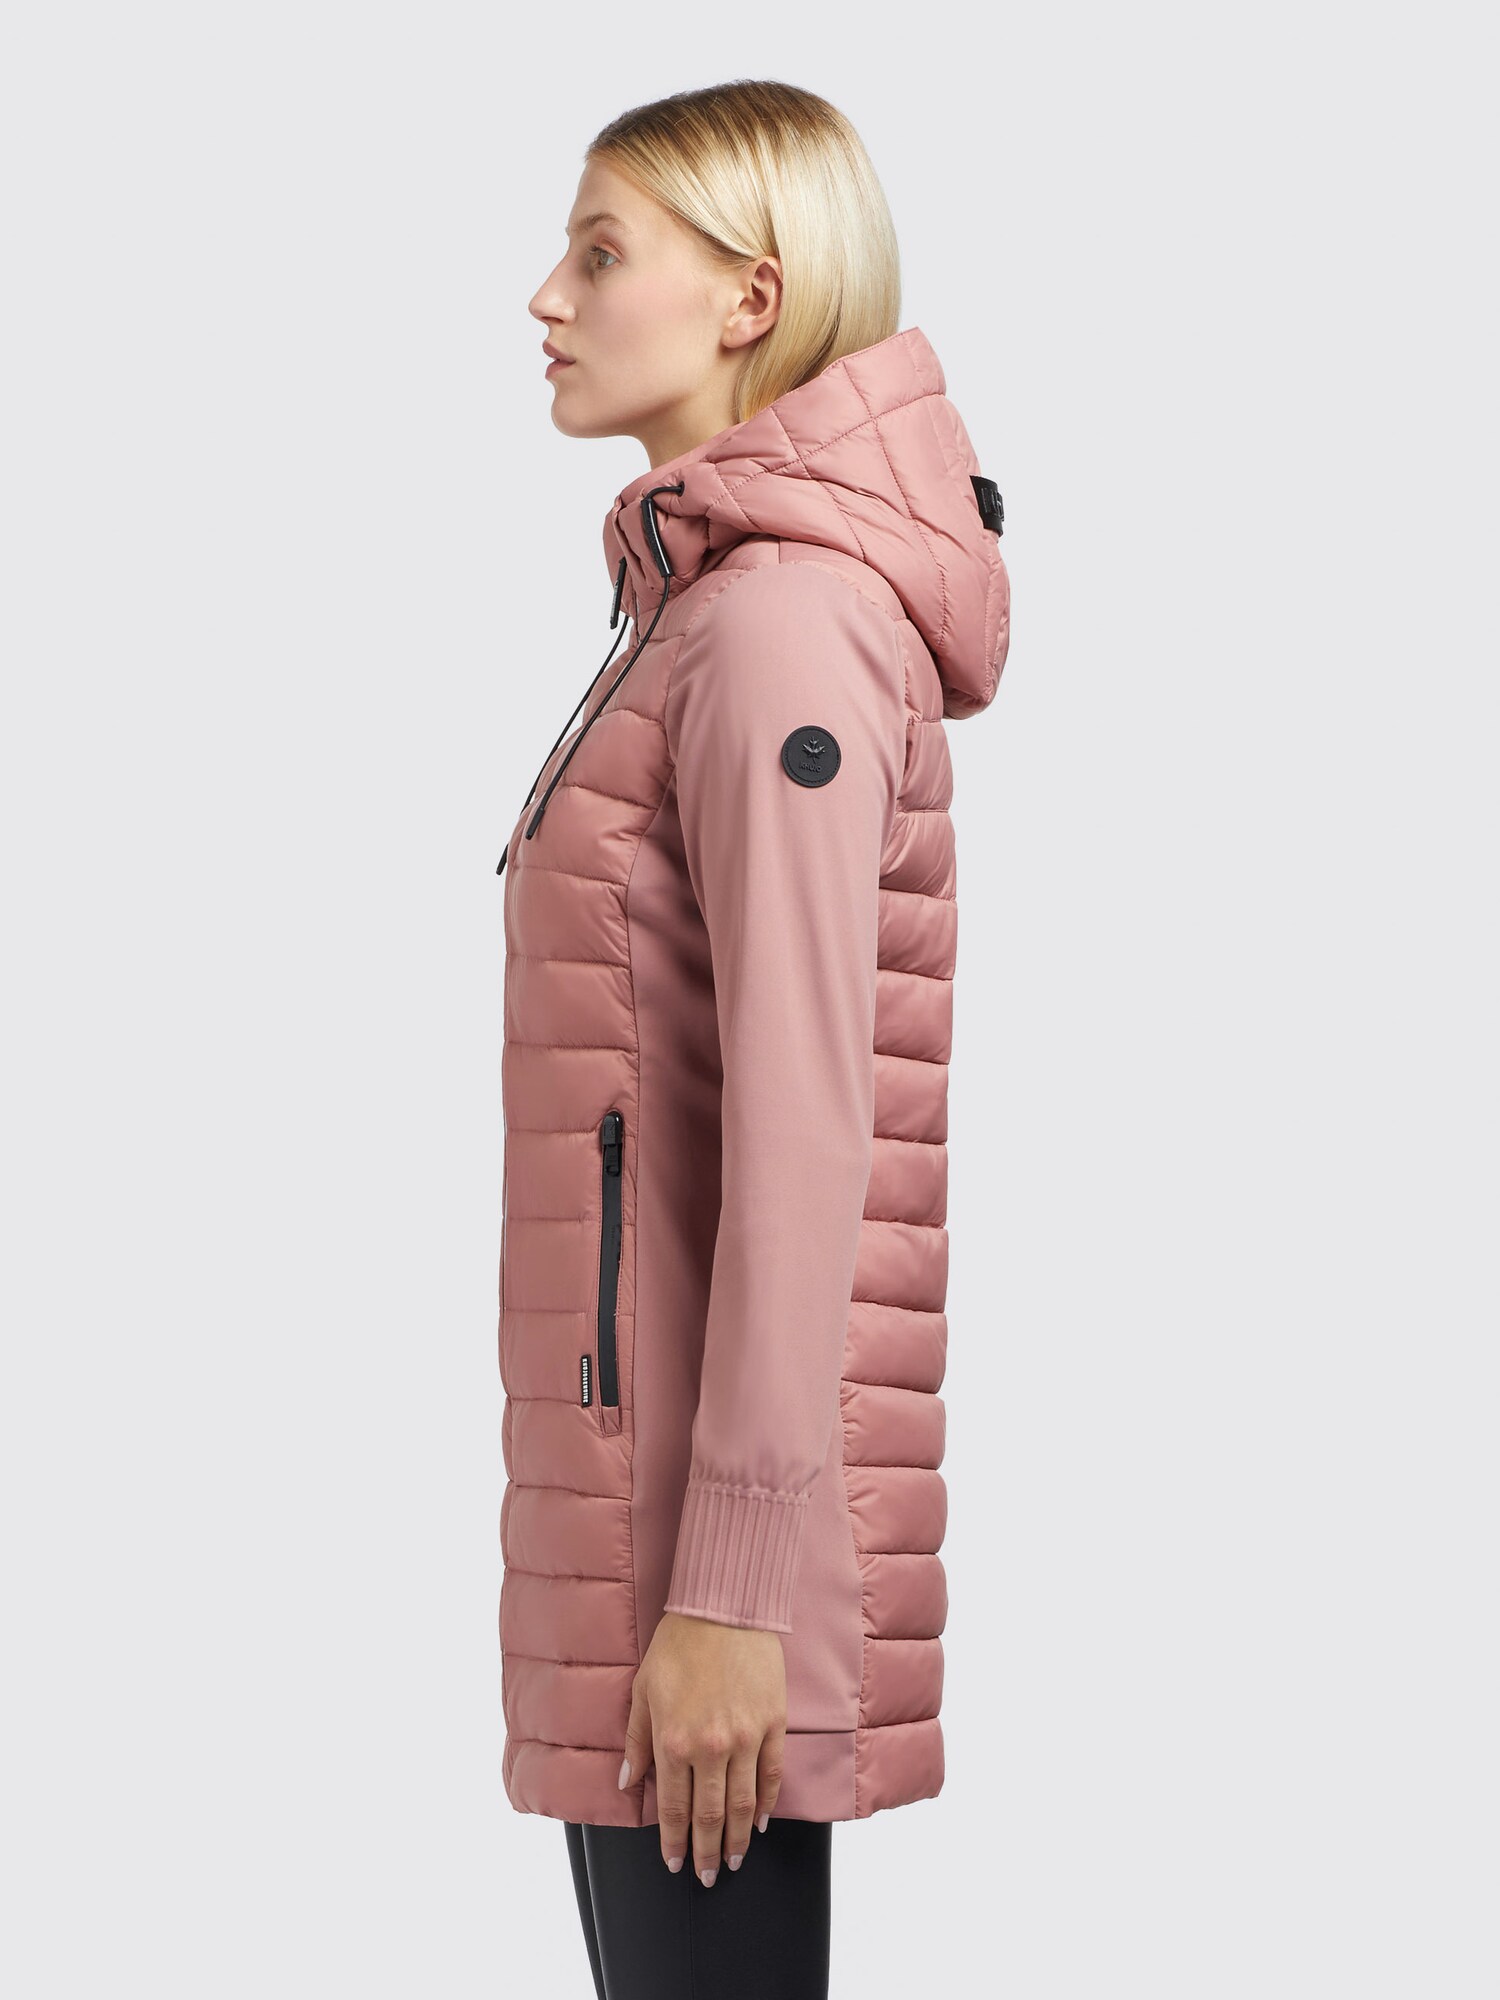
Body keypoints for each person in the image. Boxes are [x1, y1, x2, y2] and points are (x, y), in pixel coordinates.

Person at [497, 78, 1011, 1999]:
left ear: (751, 298)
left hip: (701, 1557)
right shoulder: (707, 613)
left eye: (600, 251)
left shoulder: (780, 629)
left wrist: (728, 1591)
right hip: (632, 1508)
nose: (546, 298)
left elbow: (809, 1126)